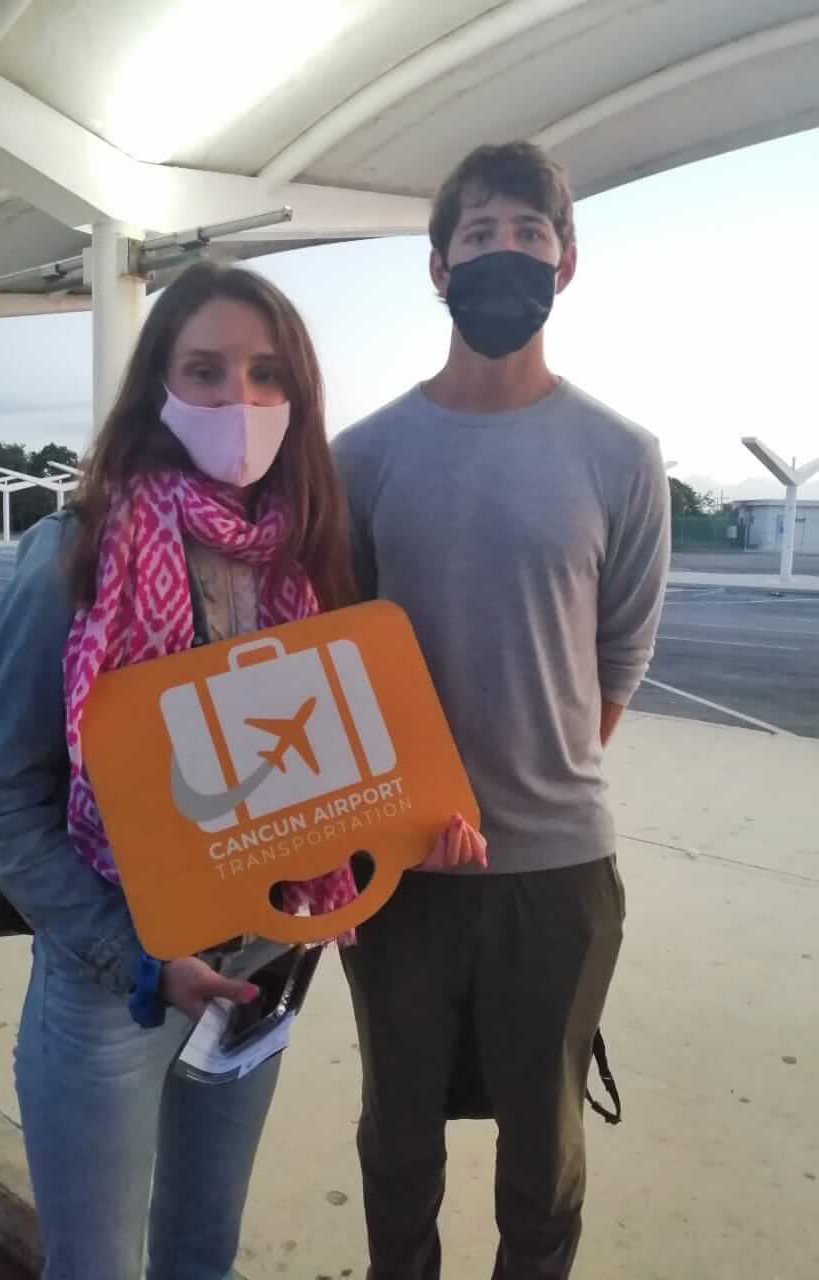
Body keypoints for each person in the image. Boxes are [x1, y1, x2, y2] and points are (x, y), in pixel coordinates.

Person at [0, 259, 360, 1280]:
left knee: (201, 1254)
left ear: (299, 396)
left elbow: (332, 773)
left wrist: (404, 832)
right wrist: (135, 956)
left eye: (269, 374)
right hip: (115, 984)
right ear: (158, 389)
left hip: (256, 969)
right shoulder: (72, 556)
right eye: (207, 370)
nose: (241, 400)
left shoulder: (301, 566)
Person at [333, 141, 670, 1279]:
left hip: (556, 873)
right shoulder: (362, 457)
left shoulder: (623, 455)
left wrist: (533, 782)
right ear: (437, 266)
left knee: (543, 1159)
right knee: (398, 1144)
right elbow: (327, 663)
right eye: (480, 235)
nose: (505, 254)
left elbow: (619, 654)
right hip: (399, 873)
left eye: (530, 235)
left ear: (565, 263)